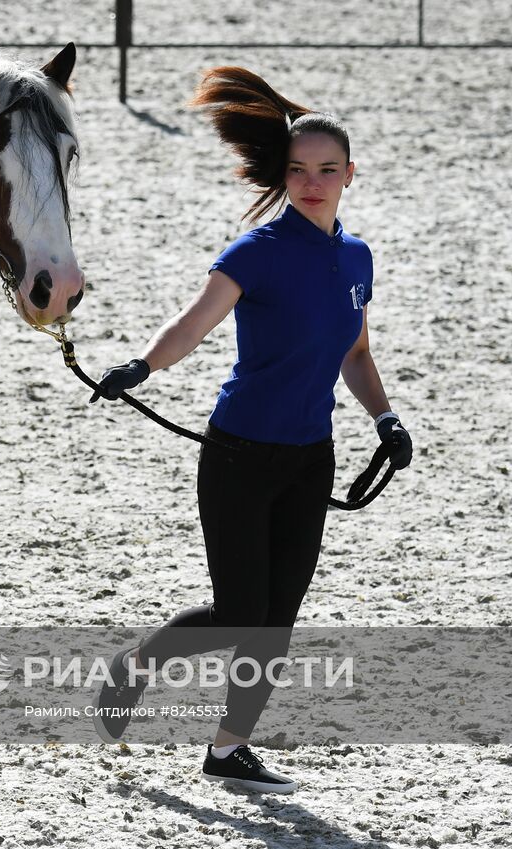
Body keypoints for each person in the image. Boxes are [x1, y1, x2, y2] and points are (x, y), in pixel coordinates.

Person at [89, 66, 413, 794]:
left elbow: (355, 352)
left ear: (349, 175)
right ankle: (140, 663)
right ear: (285, 174)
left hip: (311, 458)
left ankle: (227, 749)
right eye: (299, 170)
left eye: (328, 170)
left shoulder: (356, 257)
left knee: (278, 620)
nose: (312, 182)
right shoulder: (256, 252)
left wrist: (385, 418)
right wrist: (141, 366)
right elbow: (194, 323)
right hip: (239, 451)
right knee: (240, 609)